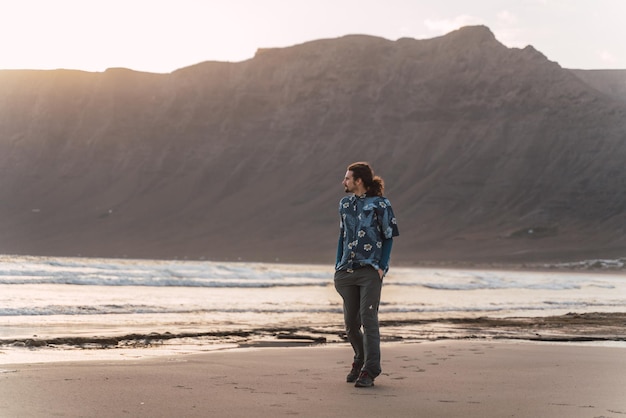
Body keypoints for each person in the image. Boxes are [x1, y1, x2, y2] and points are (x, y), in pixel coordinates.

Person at [334, 161, 399, 388]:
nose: (344, 182)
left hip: (370, 270)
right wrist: (337, 265)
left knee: (368, 319)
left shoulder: (381, 204)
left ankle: (370, 371)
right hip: (346, 271)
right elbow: (342, 237)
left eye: (347, 178)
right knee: (351, 324)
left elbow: (389, 235)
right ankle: (360, 359)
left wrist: (382, 266)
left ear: (358, 180)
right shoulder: (344, 204)